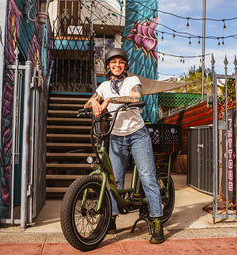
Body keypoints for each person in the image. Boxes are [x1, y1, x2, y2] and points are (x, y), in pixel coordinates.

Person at [84, 48, 165, 244]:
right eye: (113, 62)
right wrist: (94, 103)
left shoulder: (132, 81)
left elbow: (136, 98)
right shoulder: (103, 86)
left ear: (125, 65)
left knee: (147, 177)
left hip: (138, 135)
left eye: (120, 62)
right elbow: (89, 102)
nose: (117, 65)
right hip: (116, 136)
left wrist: (110, 100)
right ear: (108, 66)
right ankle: (111, 219)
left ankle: (156, 221)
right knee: (114, 180)